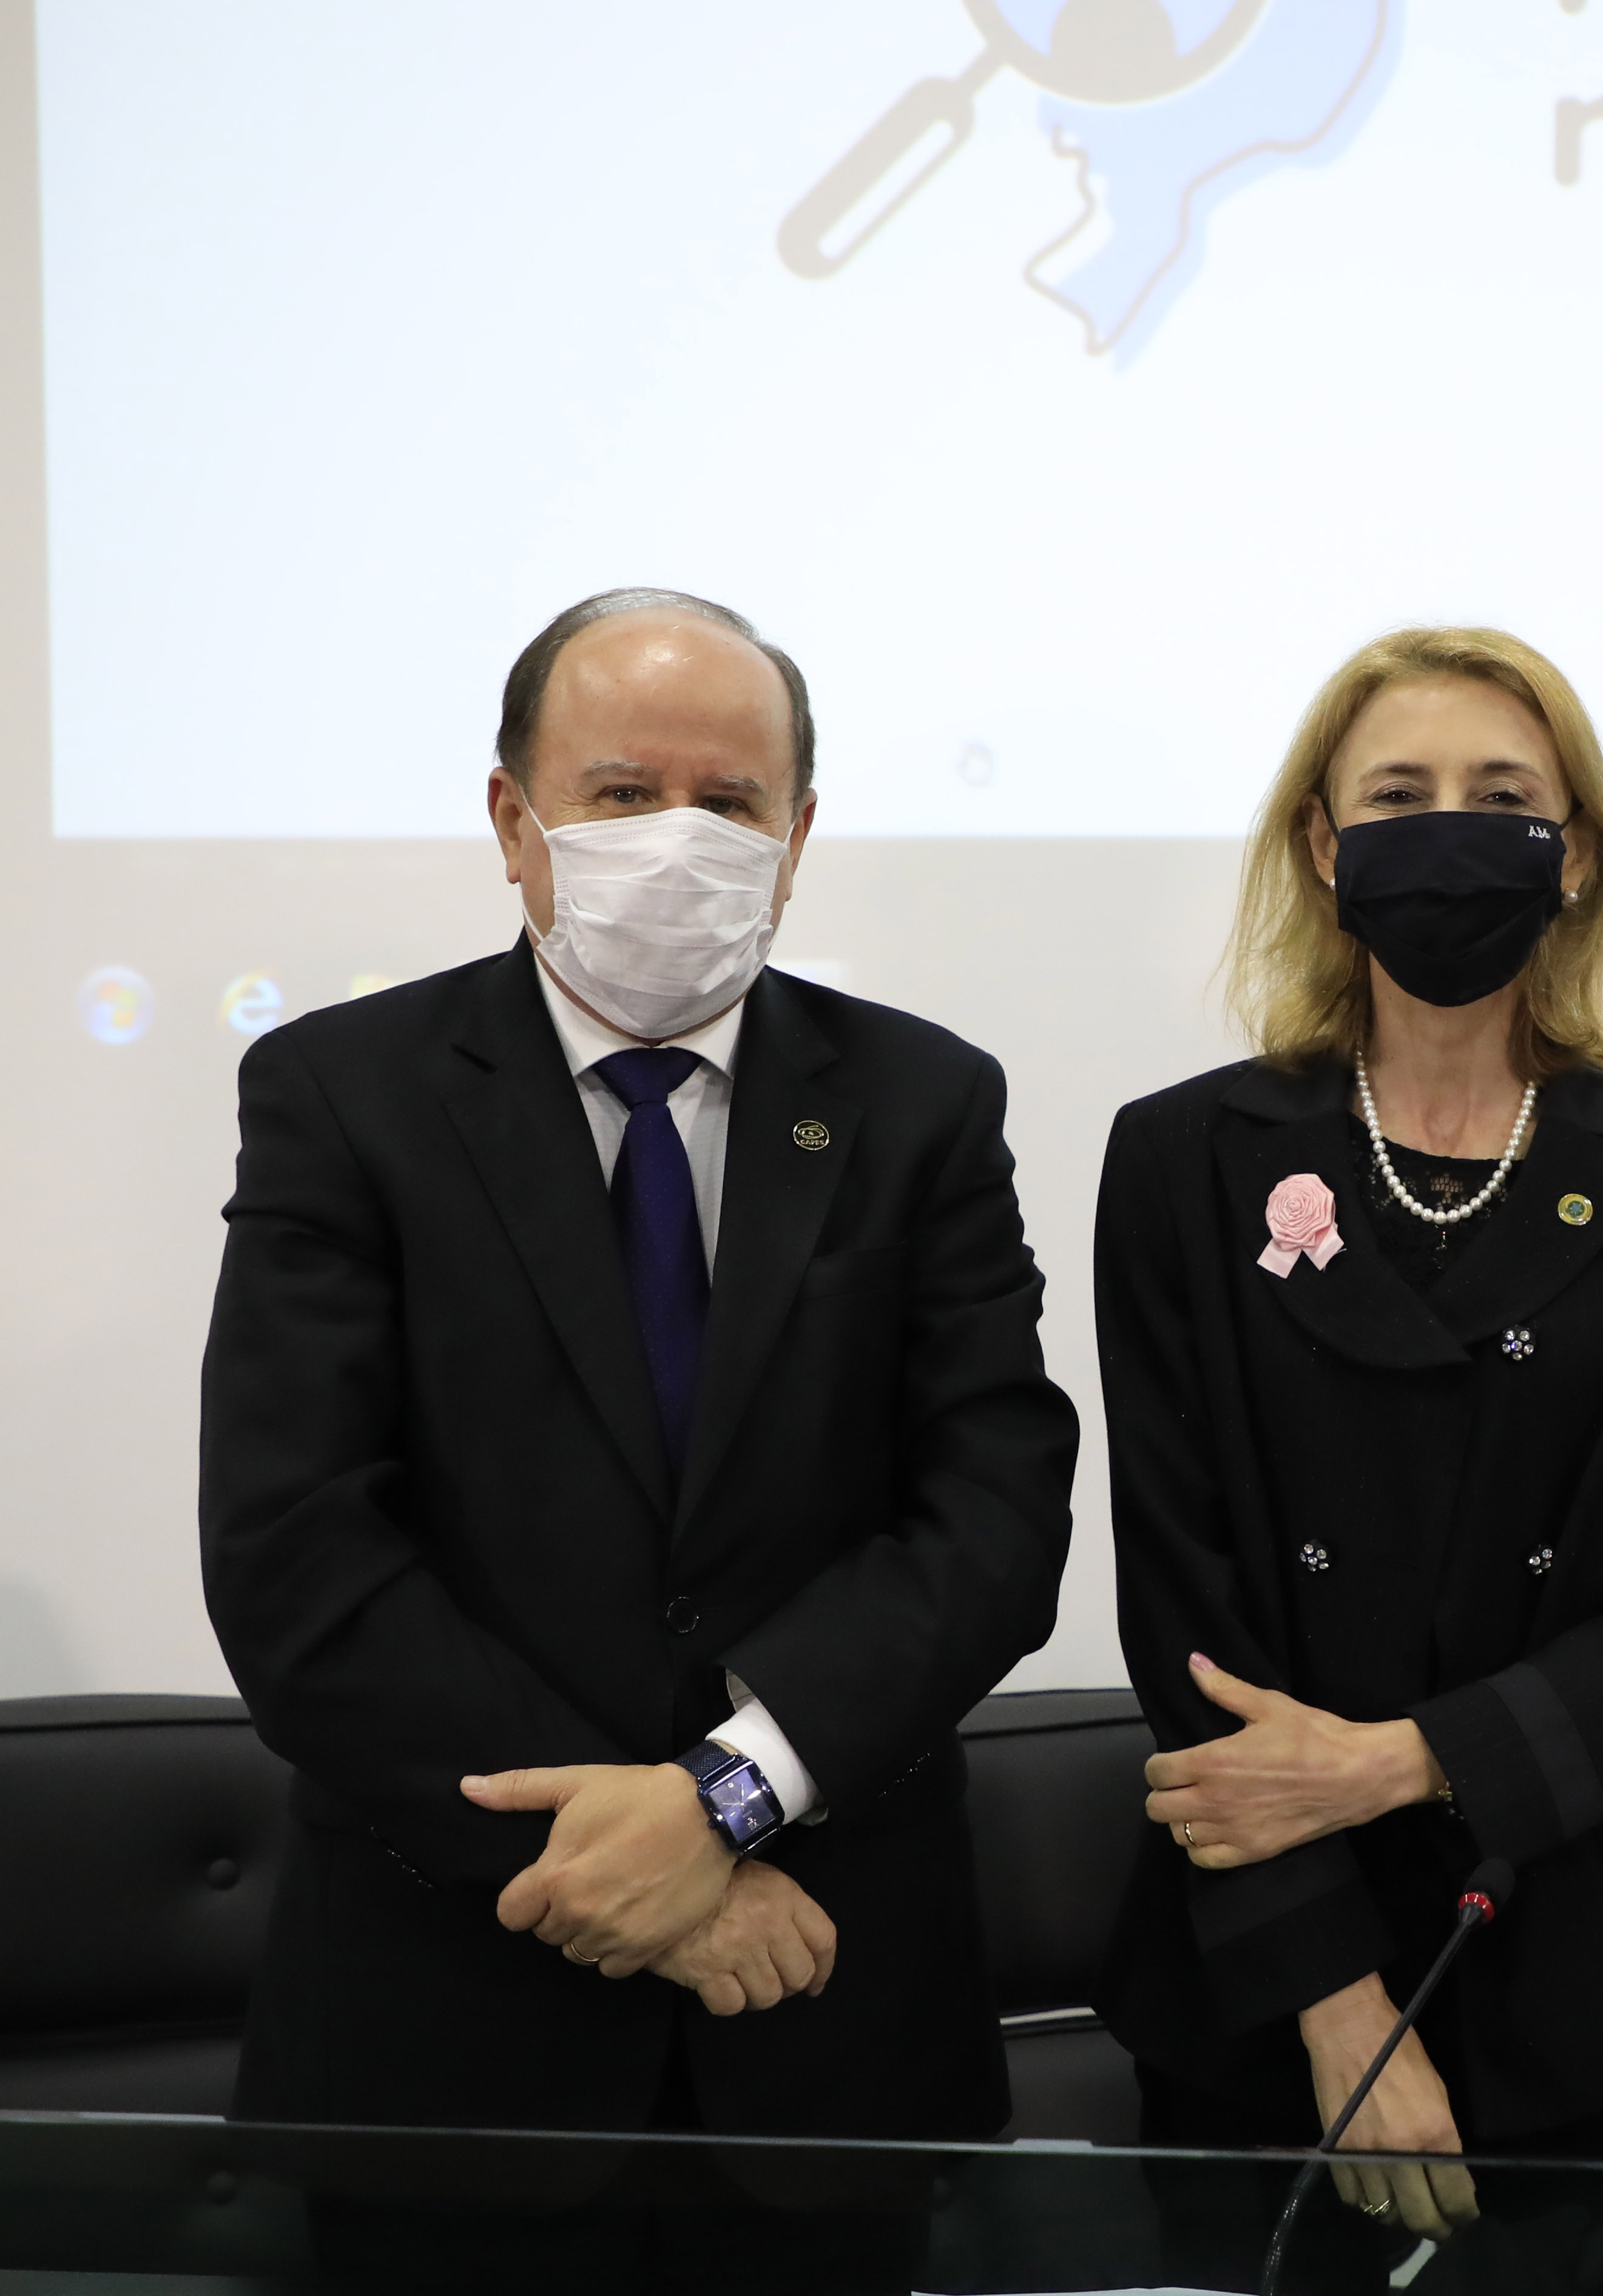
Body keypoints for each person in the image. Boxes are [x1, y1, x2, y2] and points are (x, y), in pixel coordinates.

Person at [199, 589, 1081, 2272]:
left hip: (824, 2036)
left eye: (730, 802)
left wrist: (728, 1798)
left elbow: (993, 1514)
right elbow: (296, 1550)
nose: (678, 836)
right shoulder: (342, 1093)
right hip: (450, 2044)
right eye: (619, 793)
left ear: (796, 838)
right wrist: (640, 1866)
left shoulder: (924, 1102)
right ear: (511, 821)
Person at [1093, 626, 1603, 2286]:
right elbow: (1187, 1619)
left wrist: (1404, 1761)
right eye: (1398, 796)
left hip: (1576, 1982)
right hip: (1256, 1992)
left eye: (1502, 798)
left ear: (1575, 857)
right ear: (1322, 845)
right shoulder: (1184, 1160)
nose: (1450, 831)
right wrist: (1337, 2005)